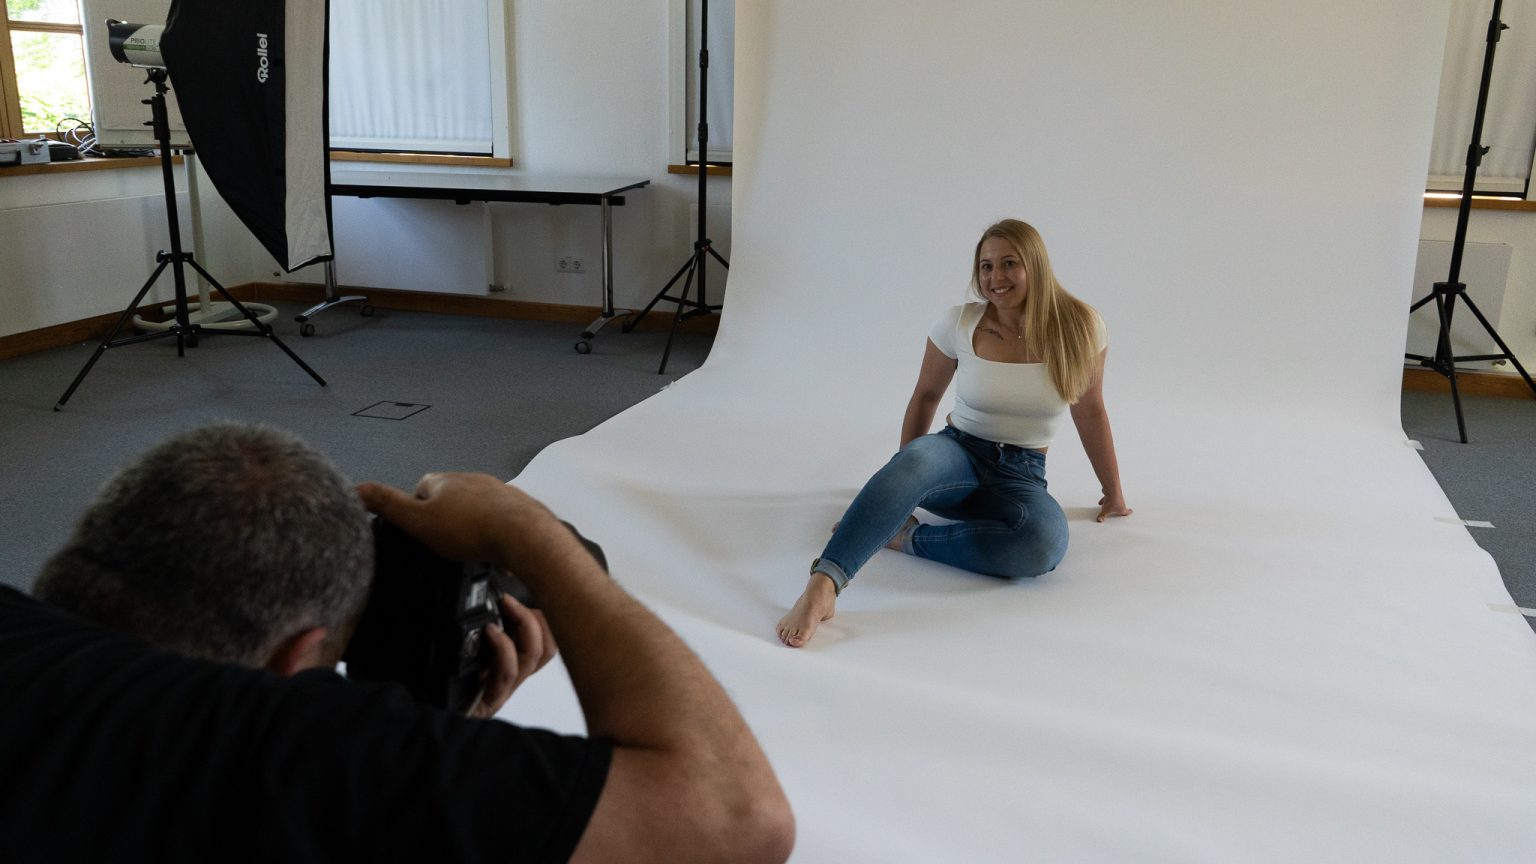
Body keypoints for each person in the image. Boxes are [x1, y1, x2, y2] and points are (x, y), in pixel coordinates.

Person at [7, 423, 794, 863]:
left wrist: (445, 730)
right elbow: (740, 820)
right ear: (295, 663)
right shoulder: (263, 747)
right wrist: (526, 532)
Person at [777, 219, 1131, 648]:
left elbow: (1090, 410)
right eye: (986, 266)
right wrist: (905, 482)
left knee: (1043, 544)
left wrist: (1112, 491)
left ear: (1035, 265)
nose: (996, 277)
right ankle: (823, 586)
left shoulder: (1082, 326)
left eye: (1009, 264)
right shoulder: (959, 323)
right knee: (917, 460)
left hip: (1020, 474)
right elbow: (925, 397)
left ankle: (906, 539)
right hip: (955, 454)